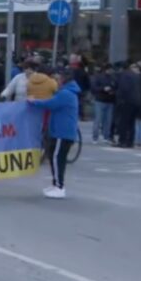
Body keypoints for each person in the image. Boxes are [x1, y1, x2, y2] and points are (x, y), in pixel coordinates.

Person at [28, 70, 81, 199]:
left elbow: (50, 104)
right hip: (60, 131)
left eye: (58, 79)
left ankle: (59, 186)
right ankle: (55, 184)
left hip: (62, 132)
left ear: (63, 80)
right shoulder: (67, 93)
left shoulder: (66, 94)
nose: (57, 82)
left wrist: (33, 101)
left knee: (57, 158)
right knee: (53, 157)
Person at [114, 62, 141, 148]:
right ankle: (130, 141)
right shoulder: (136, 76)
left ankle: (122, 141)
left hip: (127, 101)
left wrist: (119, 99)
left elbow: (123, 88)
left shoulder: (124, 75)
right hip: (136, 101)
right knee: (131, 122)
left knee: (123, 122)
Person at [90, 65, 116, 144]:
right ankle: (95, 137)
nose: (111, 71)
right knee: (98, 119)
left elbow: (115, 87)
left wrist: (112, 91)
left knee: (108, 120)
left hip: (109, 100)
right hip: (100, 100)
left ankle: (106, 136)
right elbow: (94, 88)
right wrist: (103, 89)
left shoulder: (113, 78)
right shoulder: (99, 77)